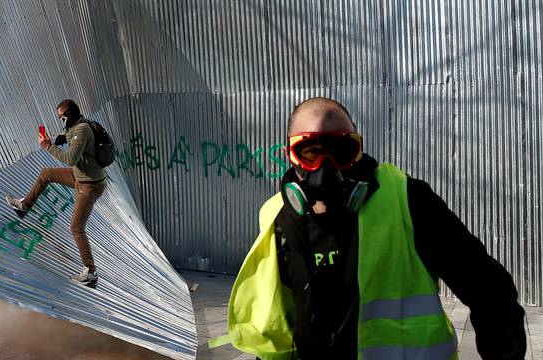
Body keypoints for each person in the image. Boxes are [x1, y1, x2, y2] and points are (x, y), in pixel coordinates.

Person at [218, 97, 526, 359]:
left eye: (340, 151)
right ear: (290, 155)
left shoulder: (407, 199)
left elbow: (492, 294)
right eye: (311, 152)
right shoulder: (277, 217)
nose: (327, 169)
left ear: (358, 151)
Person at [5, 99, 107, 288]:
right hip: (81, 175)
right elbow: (77, 143)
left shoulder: (82, 129)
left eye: (61, 118)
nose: (61, 121)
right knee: (47, 174)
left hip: (89, 185)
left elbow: (70, 158)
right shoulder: (79, 125)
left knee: (76, 228)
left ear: (69, 116)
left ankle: (90, 272)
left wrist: (48, 147)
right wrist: (62, 139)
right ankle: (23, 207)